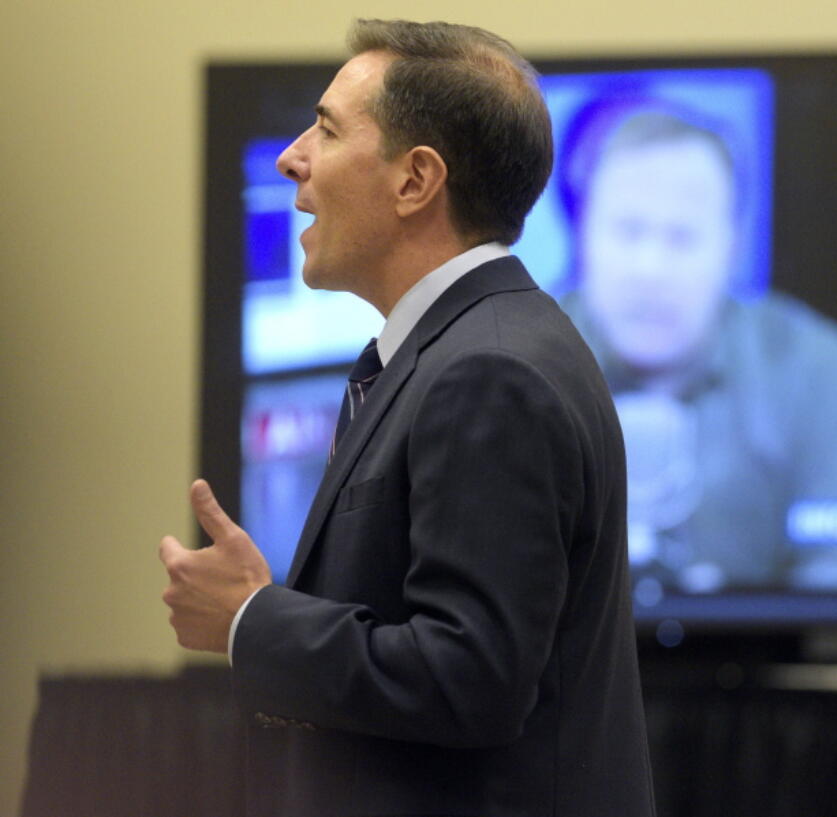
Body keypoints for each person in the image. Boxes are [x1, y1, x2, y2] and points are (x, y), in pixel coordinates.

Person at [158, 20, 655, 817]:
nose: (293, 156)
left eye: (325, 128)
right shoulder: (470, 346)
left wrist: (253, 618)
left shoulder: (489, 371)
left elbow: (471, 679)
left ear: (416, 180)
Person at [557, 104, 837, 594]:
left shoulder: (822, 372)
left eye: (681, 238)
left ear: (732, 247)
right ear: (583, 235)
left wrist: (736, 625)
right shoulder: (509, 364)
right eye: (628, 230)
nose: (650, 268)